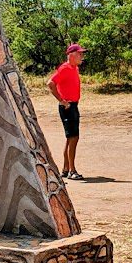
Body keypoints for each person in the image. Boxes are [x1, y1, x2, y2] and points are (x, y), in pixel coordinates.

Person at [48, 43, 85, 180]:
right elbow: (50, 84)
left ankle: (65, 169)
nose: (82, 56)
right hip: (67, 107)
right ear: (71, 55)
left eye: (82, 53)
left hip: (73, 106)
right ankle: (72, 170)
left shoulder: (74, 68)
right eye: (79, 53)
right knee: (73, 138)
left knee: (71, 138)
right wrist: (62, 101)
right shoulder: (65, 68)